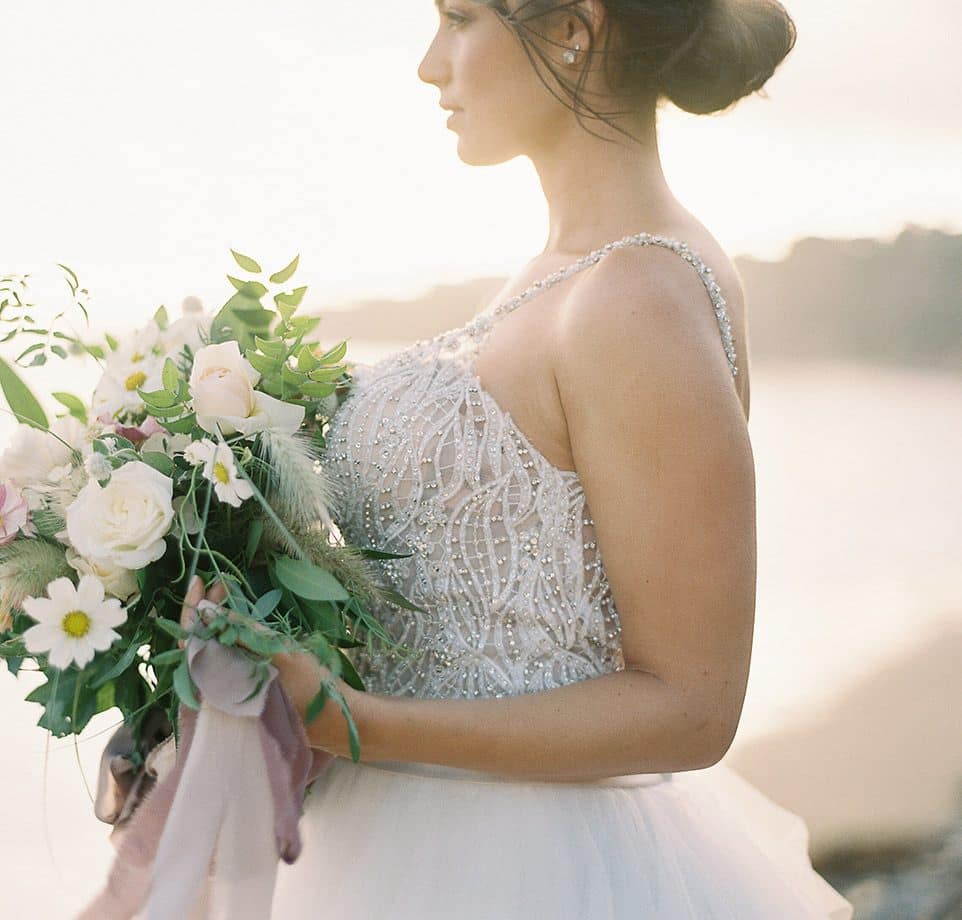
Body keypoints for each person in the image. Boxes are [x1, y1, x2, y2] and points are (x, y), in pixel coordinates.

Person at [187, 1, 854, 916]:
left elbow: (693, 706)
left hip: (529, 867)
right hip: (395, 835)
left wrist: (349, 720)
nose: (431, 65)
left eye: (459, 18)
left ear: (574, 28)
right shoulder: (559, 274)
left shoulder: (639, 297)